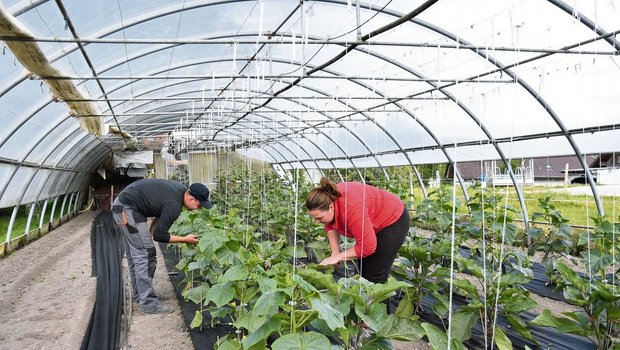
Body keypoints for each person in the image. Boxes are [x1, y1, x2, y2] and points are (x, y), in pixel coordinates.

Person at [111, 179, 212, 314]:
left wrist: (149, 235)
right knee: (145, 255)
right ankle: (148, 304)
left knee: (139, 252)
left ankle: (139, 295)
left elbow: (157, 223)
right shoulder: (174, 205)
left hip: (126, 207)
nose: (199, 209)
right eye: (200, 205)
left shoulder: (178, 192)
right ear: (191, 198)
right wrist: (185, 239)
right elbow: (160, 236)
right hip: (127, 209)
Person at [306, 177, 409, 284]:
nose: (316, 222)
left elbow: (367, 247)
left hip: (392, 219)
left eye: (319, 218)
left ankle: (378, 299)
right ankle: (364, 297)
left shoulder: (351, 207)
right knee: (363, 269)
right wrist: (335, 253)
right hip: (371, 218)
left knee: (375, 274)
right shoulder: (328, 199)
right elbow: (330, 225)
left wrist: (339, 257)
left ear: (331, 207)